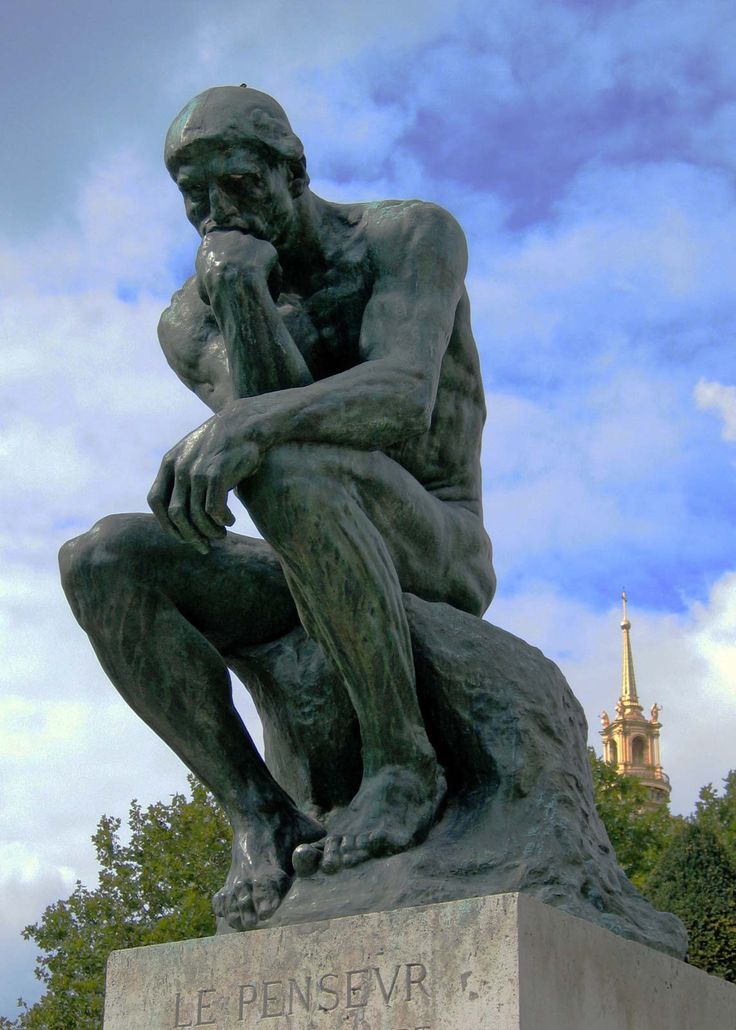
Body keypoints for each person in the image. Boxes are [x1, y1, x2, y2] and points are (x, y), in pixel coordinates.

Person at [59, 85, 495, 930]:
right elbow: (265, 423)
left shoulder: (408, 237)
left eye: (241, 185)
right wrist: (244, 298)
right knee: (101, 557)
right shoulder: (191, 317)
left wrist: (249, 426)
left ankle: (404, 765)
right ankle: (260, 815)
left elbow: (403, 398)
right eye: (197, 197)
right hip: (306, 554)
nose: (220, 212)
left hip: (433, 539)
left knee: (280, 457)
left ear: (294, 170)